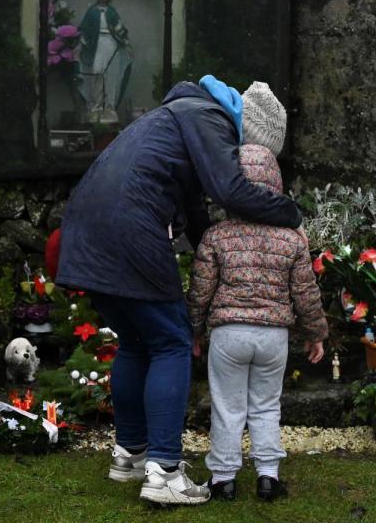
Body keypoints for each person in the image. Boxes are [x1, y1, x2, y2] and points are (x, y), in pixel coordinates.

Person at [57, 75, 302, 505]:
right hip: (129, 226)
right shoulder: (209, 118)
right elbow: (231, 190)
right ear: (248, 137)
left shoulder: (180, 115)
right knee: (172, 341)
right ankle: (165, 472)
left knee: (136, 341)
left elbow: (195, 210)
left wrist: (223, 251)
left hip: (86, 229)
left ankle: (131, 455)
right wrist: (290, 213)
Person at [187, 142, 328, 502]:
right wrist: (316, 334)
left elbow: (201, 291)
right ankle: (268, 476)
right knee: (266, 405)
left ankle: (223, 479)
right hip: (273, 337)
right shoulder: (291, 238)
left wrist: (194, 331)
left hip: (228, 334)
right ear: (275, 185)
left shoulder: (216, 236)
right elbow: (305, 293)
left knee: (228, 406)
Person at [78, 0, 132, 124]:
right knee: (97, 73)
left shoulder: (112, 12)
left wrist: (125, 41)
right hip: (97, 44)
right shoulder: (92, 11)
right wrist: (83, 41)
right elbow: (84, 28)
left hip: (110, 43)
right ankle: (96, 105)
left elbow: (119, 28)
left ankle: (110, 106)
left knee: (111, 74)